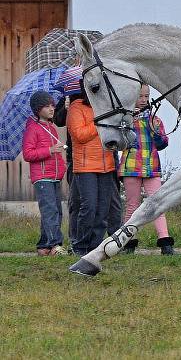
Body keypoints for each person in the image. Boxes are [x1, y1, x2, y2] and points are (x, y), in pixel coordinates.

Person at [119, 84, 174, 255]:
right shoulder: (125, 119)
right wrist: (128, 127)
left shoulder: (154, 119)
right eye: (140, 96)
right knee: (132, 205)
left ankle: (165, 242)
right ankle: (128, 242)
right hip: (131, 167)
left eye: (146, 96)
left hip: (152, 166)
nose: (143, 100)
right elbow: (121, 143)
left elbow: (163, 143)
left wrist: (156, 132)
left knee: (157, 203)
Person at [67, 81, 117, 256]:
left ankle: (95, 248)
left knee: (102, 210)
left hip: (107, 164)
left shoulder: (105, 107)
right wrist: (99, 123)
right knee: (88, 208)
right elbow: (79, 135)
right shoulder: (76, 108)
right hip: (85, 166)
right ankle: (80, 246)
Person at [22, 91, 68, 256]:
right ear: (37, 109)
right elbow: (28, 154)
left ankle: (44, 246)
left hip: (55, 176)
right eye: (46, 106)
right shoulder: (32, 129)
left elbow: (55, 153)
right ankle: (55, 245)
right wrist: (49, 150)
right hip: (42, 177)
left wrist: (61, 164)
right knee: (51, 212)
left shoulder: (52, 129)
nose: (51, 109)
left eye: (52, 105)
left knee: (55, 210)